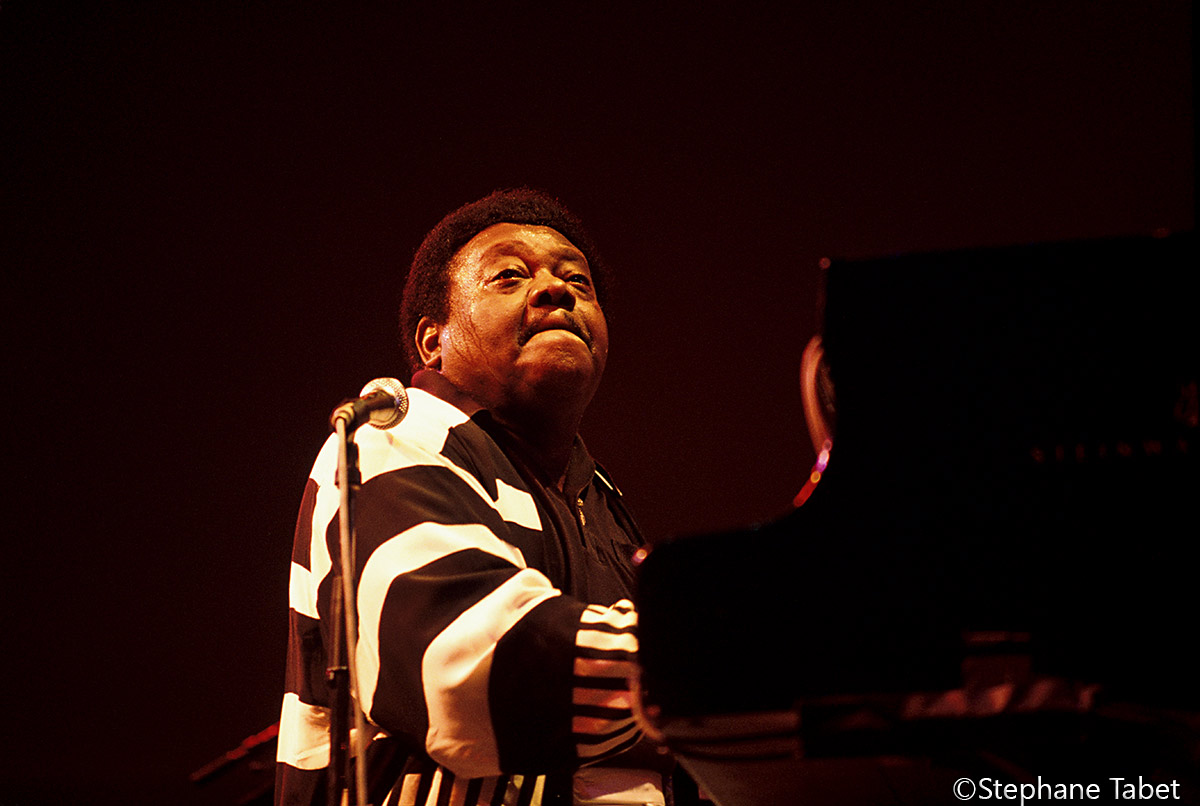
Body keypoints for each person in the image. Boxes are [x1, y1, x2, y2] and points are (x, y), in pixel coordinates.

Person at [275, 189, 681, 806]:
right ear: (432, 341)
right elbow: (465, 669)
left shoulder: (601, 502)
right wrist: (721, 657)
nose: (557, 290)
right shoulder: (391, 435)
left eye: (579, 281)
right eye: (509, 276)